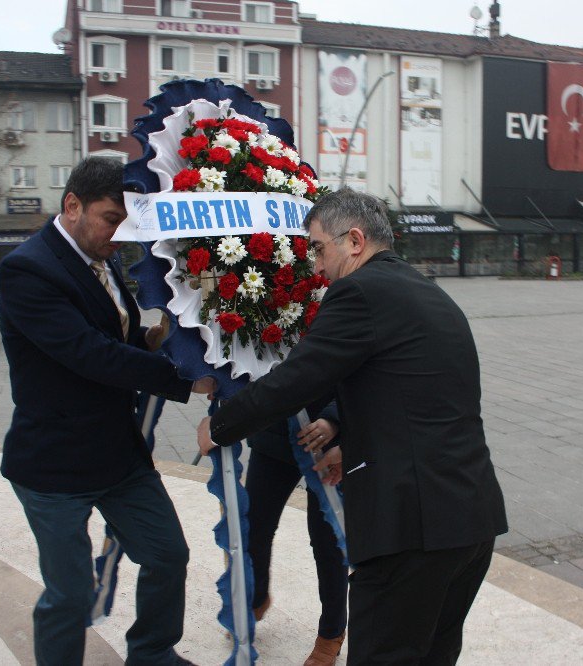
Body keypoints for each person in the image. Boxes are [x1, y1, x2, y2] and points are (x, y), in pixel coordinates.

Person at [197, 188, 507, 664]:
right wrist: (351, 441)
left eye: (319, 248)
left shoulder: (360, 291)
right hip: (470, 518)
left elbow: (295, 380)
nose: (317, 266)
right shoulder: (424, 290)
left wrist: (220, 426)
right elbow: (418, 398)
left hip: (411, 529)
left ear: (355, 240)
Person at [0, 157, 213, 666]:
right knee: (69, 593)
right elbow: (87, 353)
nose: (119, 233)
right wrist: (182, 378)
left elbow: (115, 336)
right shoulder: (27, 268)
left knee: (167, 556)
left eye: (126, 222)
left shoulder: (103, 258)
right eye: (111, 218)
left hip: (118, 456)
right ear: (72, 205)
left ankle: (152, 652)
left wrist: (159, 342)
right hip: (54, 465)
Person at [246, 403, 348, 666]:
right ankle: (256, 597)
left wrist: (335, 420)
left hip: (332, 440)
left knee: (328, 544)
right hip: (277, 424)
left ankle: (331, 633)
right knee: (254, 525)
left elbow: (372, 370)